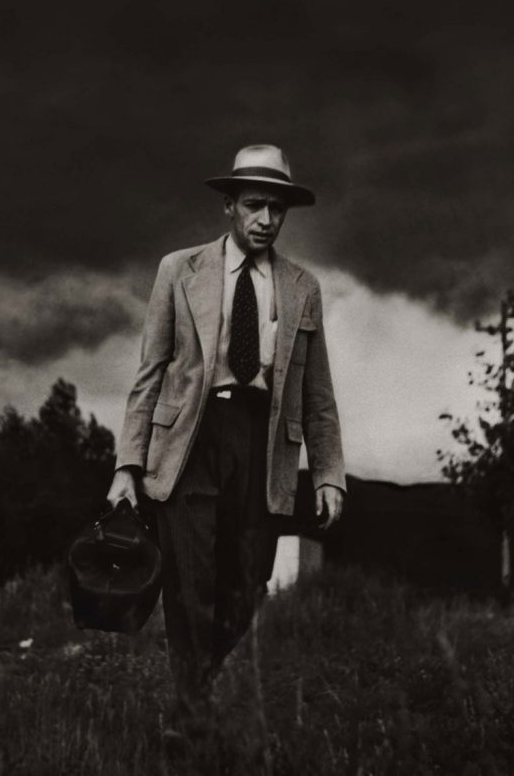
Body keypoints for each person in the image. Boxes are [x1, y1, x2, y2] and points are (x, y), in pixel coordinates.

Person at [107, 143, 346, 729]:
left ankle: (193, 692)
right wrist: (126, 466)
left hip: (264, 445)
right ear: (230, 207)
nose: (266, 220)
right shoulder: (177, 270)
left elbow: (317, 393)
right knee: (189, 589)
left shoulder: (302, 288)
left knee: (246, 589)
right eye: (255, 206)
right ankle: (187, 721)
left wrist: (330, 473)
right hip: (190, 439)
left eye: (277, 210)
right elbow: (150, 373)